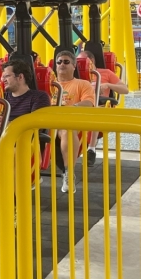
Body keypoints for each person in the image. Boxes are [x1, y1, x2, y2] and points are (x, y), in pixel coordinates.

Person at [55, 50, 95, 194]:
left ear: (74, 66)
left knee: (67, 130)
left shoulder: (82, 84)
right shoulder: (49, 84)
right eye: (59, 62)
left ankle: (68, 173)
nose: (62, 64)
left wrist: (71, 107)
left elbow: (89, 103)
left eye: (66, 62)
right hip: (47, 122)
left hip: (68, 122)